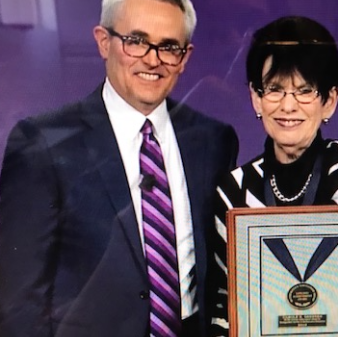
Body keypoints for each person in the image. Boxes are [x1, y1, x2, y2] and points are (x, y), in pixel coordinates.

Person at [0, 0, 238, 336]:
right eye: (137, 41)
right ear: (103, 41)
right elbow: (18, 301)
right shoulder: (43, 144)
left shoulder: (214, 141)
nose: (153, 59)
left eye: (169, 46)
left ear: (184, 58)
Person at [209, 16, 338, 337]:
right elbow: (222, 299)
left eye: (304, 91)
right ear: (255, 98)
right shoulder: (233, 191)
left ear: (329, 101)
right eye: (274, 89)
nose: (288, 106)